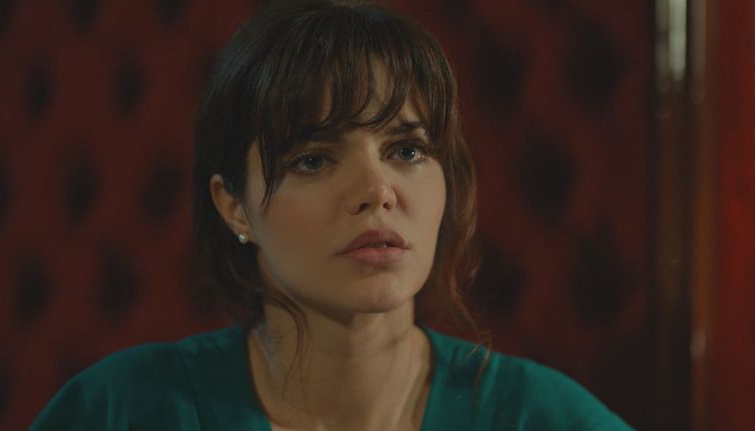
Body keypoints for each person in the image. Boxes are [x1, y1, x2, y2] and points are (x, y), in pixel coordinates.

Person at [31, 1, 634, 429]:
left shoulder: (543, 417)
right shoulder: (123, 410)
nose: (377, 191)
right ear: (234, 205)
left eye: (407, 151)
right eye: (314, 159)